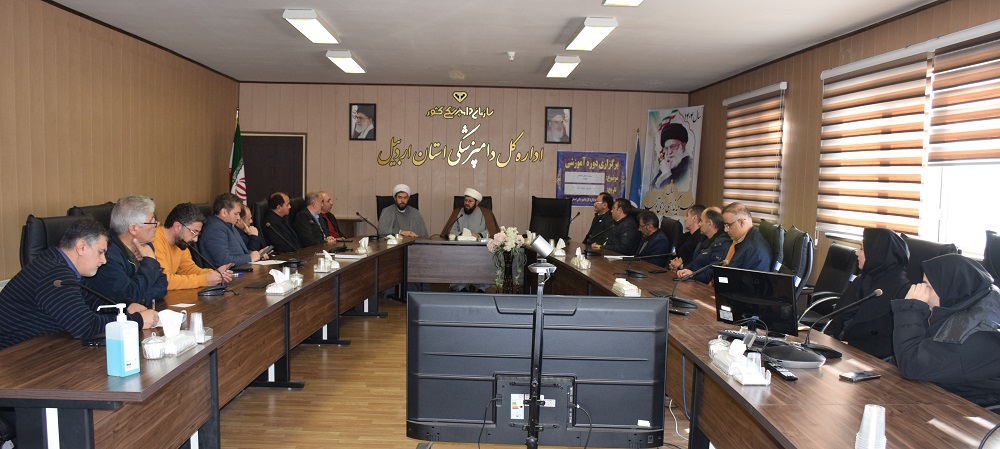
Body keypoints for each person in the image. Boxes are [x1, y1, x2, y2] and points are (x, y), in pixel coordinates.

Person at [0, 218, 158, 351]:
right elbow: (86, 327)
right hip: (13, 358)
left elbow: (90, 302)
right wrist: (136, 321)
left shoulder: (59, 263)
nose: (104, 260)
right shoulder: (54, 274)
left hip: (41, 347)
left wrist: (126, 307)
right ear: (81, 247)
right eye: (101, 252)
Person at [892, 254, 1000, 407]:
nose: (922, 291)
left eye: (927, 286)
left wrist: (911, 309)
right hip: (943, 392)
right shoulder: (974, 303)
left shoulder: (974, 334)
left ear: (950, 288)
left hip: (967, 410)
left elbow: (911, 366)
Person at [824, 228, 912, 359]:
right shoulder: (864, 278)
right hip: (841, 348)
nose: (856, 252)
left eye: (862, 248)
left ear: (877, 253)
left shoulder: (903, 290)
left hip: (869, 357)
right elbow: (839, 316)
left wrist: (853, 346)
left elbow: (893, 341)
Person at [84, 195, 167, 308]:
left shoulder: (145, 246)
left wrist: (142, 298)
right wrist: (149, 262)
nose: (157, 225)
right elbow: (128, 296)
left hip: (142, 311)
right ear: (133, 228)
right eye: (152, 221)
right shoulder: (106, 256)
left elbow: (162, 283)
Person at [153, 202, 233, 291]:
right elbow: (164, 281)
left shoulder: (180, 241)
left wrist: (214, 274)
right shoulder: (154, 239)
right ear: (177, 226)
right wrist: (204, 280)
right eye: (194, 232)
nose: (195, 240)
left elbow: (188, 269)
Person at [200, 193, 269, 267]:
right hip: (230, 273)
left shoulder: (228, 225)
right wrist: (249, 258)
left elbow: (239, 254)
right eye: (236, 214)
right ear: (224, 212)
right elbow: (224, 261)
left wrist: (257, 254)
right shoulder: (214, 229)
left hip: (240, 269)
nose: (238, 217)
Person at [676, 207, 732, 283]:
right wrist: (685, 270)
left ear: (709, 223)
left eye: (701, 221)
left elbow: (712, 273)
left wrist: (693, 274)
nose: (699, 224)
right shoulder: (704, 239)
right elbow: (695, 262)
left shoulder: (722, 244)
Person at [719, 202, 771, 272]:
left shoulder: (755, 251)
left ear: (741, 223)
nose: (725, 230)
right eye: (725, 226)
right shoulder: (741, 240)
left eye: (728, 225)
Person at [651, 122, 692, 190]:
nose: (669, 152)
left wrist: (667, 174)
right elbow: (651, 190)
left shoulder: (689, 167)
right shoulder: (668, 166)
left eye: (673, 146)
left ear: (683, 145)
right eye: (666, 148)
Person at [669, 205, 706, 269]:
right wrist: (674, 264)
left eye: (687, 216)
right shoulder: (685, 236)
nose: (685, 219)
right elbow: (675, 254)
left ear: (694, 218)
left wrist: (679, 266)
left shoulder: (701, 239)